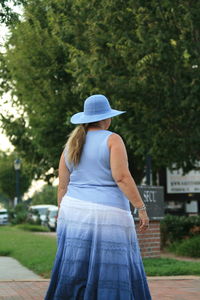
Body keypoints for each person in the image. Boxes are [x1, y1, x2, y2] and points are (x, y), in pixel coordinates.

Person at [44, 94, 152, 300]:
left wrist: (63, 213)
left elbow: (62, 186)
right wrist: (141, 207)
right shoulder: (113, 139)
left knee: (76, 267)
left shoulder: (70, 145)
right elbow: (121, 177)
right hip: (108, 213)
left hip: (73, 210)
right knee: (112, 266)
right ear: (106, 118)